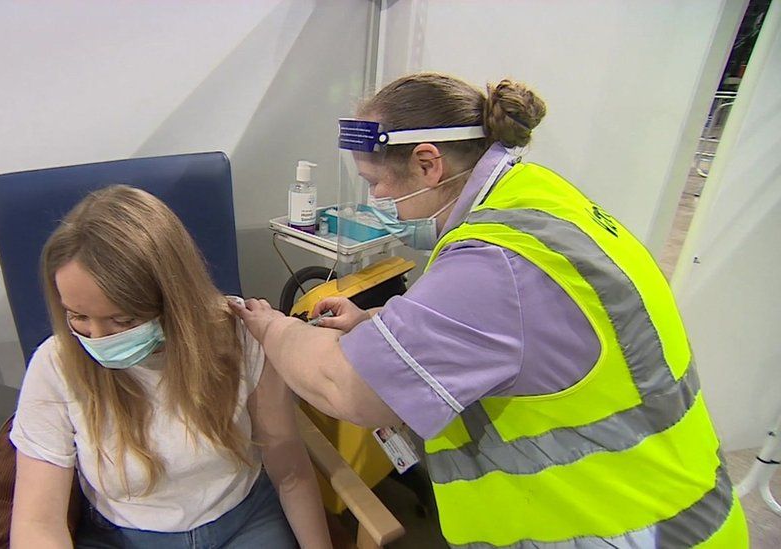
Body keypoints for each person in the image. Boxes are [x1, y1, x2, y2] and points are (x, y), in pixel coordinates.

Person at [231, 73, 749, 547]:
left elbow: (345, 389)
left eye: (375, 183)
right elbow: (521, 333)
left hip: (618, 528)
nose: (377, 199)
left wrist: (273, 328)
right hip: (681, 502)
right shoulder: (536, 197)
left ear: (428, 163)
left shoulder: (495, 264)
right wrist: (375, 324)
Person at [9, 186, 331, 548]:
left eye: (123, 319)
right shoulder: (56, 366)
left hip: (244, 520)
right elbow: (37, 522)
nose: (98, 338)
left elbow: (289, 469)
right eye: (78, 316)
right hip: (123, 536)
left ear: (173, 301)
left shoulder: (240, 337)